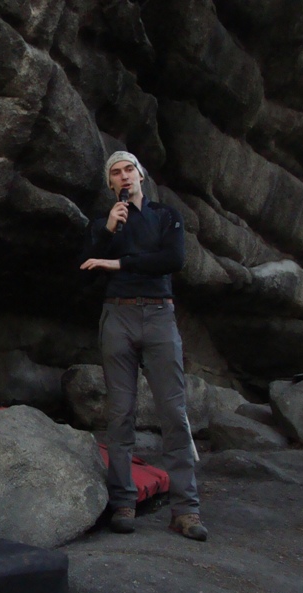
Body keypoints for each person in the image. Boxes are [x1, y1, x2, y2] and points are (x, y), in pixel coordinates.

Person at [79, 150, 207, 542]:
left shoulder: (166, 215)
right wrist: (107, 233)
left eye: (129, 169)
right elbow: (84, 271)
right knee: (120, 412)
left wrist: (119, 263)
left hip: (159, 314)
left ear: (141, 175)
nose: (124, 176)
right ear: (110, 184)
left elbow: (173, 259)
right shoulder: (103, 223)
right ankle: (123, 502)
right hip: (117, 314)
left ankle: (185, 509)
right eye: (116, 173)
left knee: (173, 410)